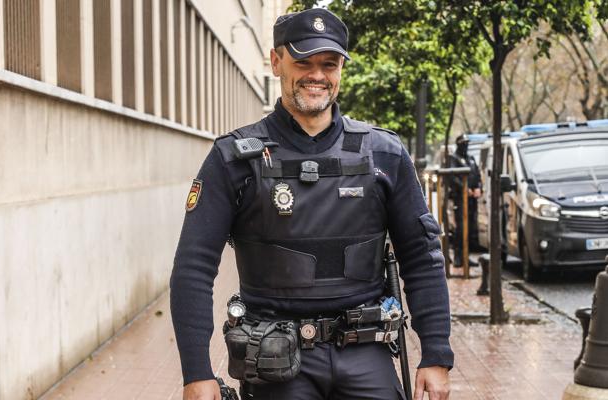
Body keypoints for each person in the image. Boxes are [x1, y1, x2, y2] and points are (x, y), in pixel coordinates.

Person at [171, 8, 453, 400]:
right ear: (275, 62)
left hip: (366, 354)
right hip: (275, 360)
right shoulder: (233, 158)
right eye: (303, 61)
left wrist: (436, 354)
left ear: (340, 70)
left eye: (329, 63)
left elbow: (422, 258)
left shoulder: (383, 154)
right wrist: (196, 373)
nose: (317, 75)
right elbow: (193, 267)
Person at [448, 134, 482, 267]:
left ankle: (466, 256)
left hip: (472, 199)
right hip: (460, 199)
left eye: (467, 143)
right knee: (461, 229)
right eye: (464, 143)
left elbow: (478, 175)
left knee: (471, 229)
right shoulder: (453, 159)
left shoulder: (471, 158)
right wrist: (464, 189)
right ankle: (458, 257)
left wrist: (478, 188)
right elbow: (452, 177)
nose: (466, 145)